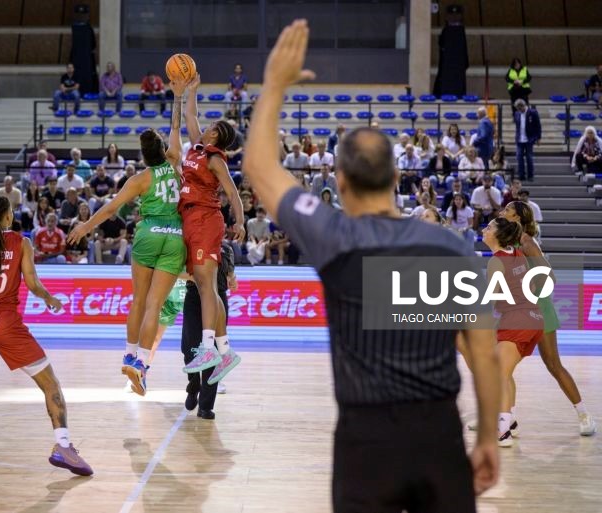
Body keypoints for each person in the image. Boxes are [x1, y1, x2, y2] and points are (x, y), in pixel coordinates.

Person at [242, 20, 500, 512]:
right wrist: (487, 435)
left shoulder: (333, 236)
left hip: (365, 441)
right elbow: (483, 354)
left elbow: (259, 169)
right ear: (396, 176)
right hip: (439, 436)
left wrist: (274, 84)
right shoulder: (453, 249)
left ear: (339, 181)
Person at [68, 78, 190, 395]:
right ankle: (141, 367)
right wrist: (178, 96)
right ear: (163, 150)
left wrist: (84, 227)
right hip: (175, 235)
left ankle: (129, 355)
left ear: (143, 156)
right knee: (155, 306)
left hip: (149, 233)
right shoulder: (175, 161)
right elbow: (175, 127)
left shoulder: (140, 179)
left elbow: (111, 209)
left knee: (139, 300)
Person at [0, 194, 92, 475]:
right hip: (5, 323)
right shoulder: (21, 242)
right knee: (50, 384)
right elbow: (32, 283)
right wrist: (49, 298)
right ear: (8, 216)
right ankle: (63, 446)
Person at [500, 201, 595, 436]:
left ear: (517, 217)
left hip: (539, 310)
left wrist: (529, 290)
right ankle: (507, 419)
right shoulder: (509, 243)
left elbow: (549, 277)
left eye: (507, 210)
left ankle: (584, 415)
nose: (502, 212)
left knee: (553, 365)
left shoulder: (527, 243)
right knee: (502, 367)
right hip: (518, 311)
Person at [180, 74, 245, 385]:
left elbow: (232, 192)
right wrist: (192, 90)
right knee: (206, 286)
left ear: (217, 135)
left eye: (211, 127)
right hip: (191, 219)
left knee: (207, 285)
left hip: (206, 218)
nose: (204, 127)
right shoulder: (196, 148)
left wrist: (240, 221)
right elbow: (190, 116)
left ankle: (209, 348)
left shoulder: (215, 158)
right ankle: (225, 350)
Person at [480, 217, 543, 447]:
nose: (484, 230)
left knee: (498, 374)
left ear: (497, 235)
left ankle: (503, 431)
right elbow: (531, 286)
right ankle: (510, 420)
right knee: (505, 372)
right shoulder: (517, 254)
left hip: (517, 320)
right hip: (534, 319)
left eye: (488, 227)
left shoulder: (496, 261)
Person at [183, 241, 236, 419]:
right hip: (194, 297)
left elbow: (231, 275)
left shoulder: (227, 248)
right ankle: (193, 385)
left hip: (218, 298)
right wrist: (196, 278)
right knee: (189, 349)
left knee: (213, 352)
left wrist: (232, 280)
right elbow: (177, 272)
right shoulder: (191, 243)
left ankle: (206, 406)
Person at [513, 99, 541, 182]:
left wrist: (538, 138)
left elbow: (538, 125)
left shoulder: (533, 112)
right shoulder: (517, 113)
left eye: (520, 108)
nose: (519, 110)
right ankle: (521, 175)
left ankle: (530, 175)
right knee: (519, 157)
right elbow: (517, 126)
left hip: (529, 139)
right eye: (517, 109)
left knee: (529, 158)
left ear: (523, 106)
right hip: (519, 139)